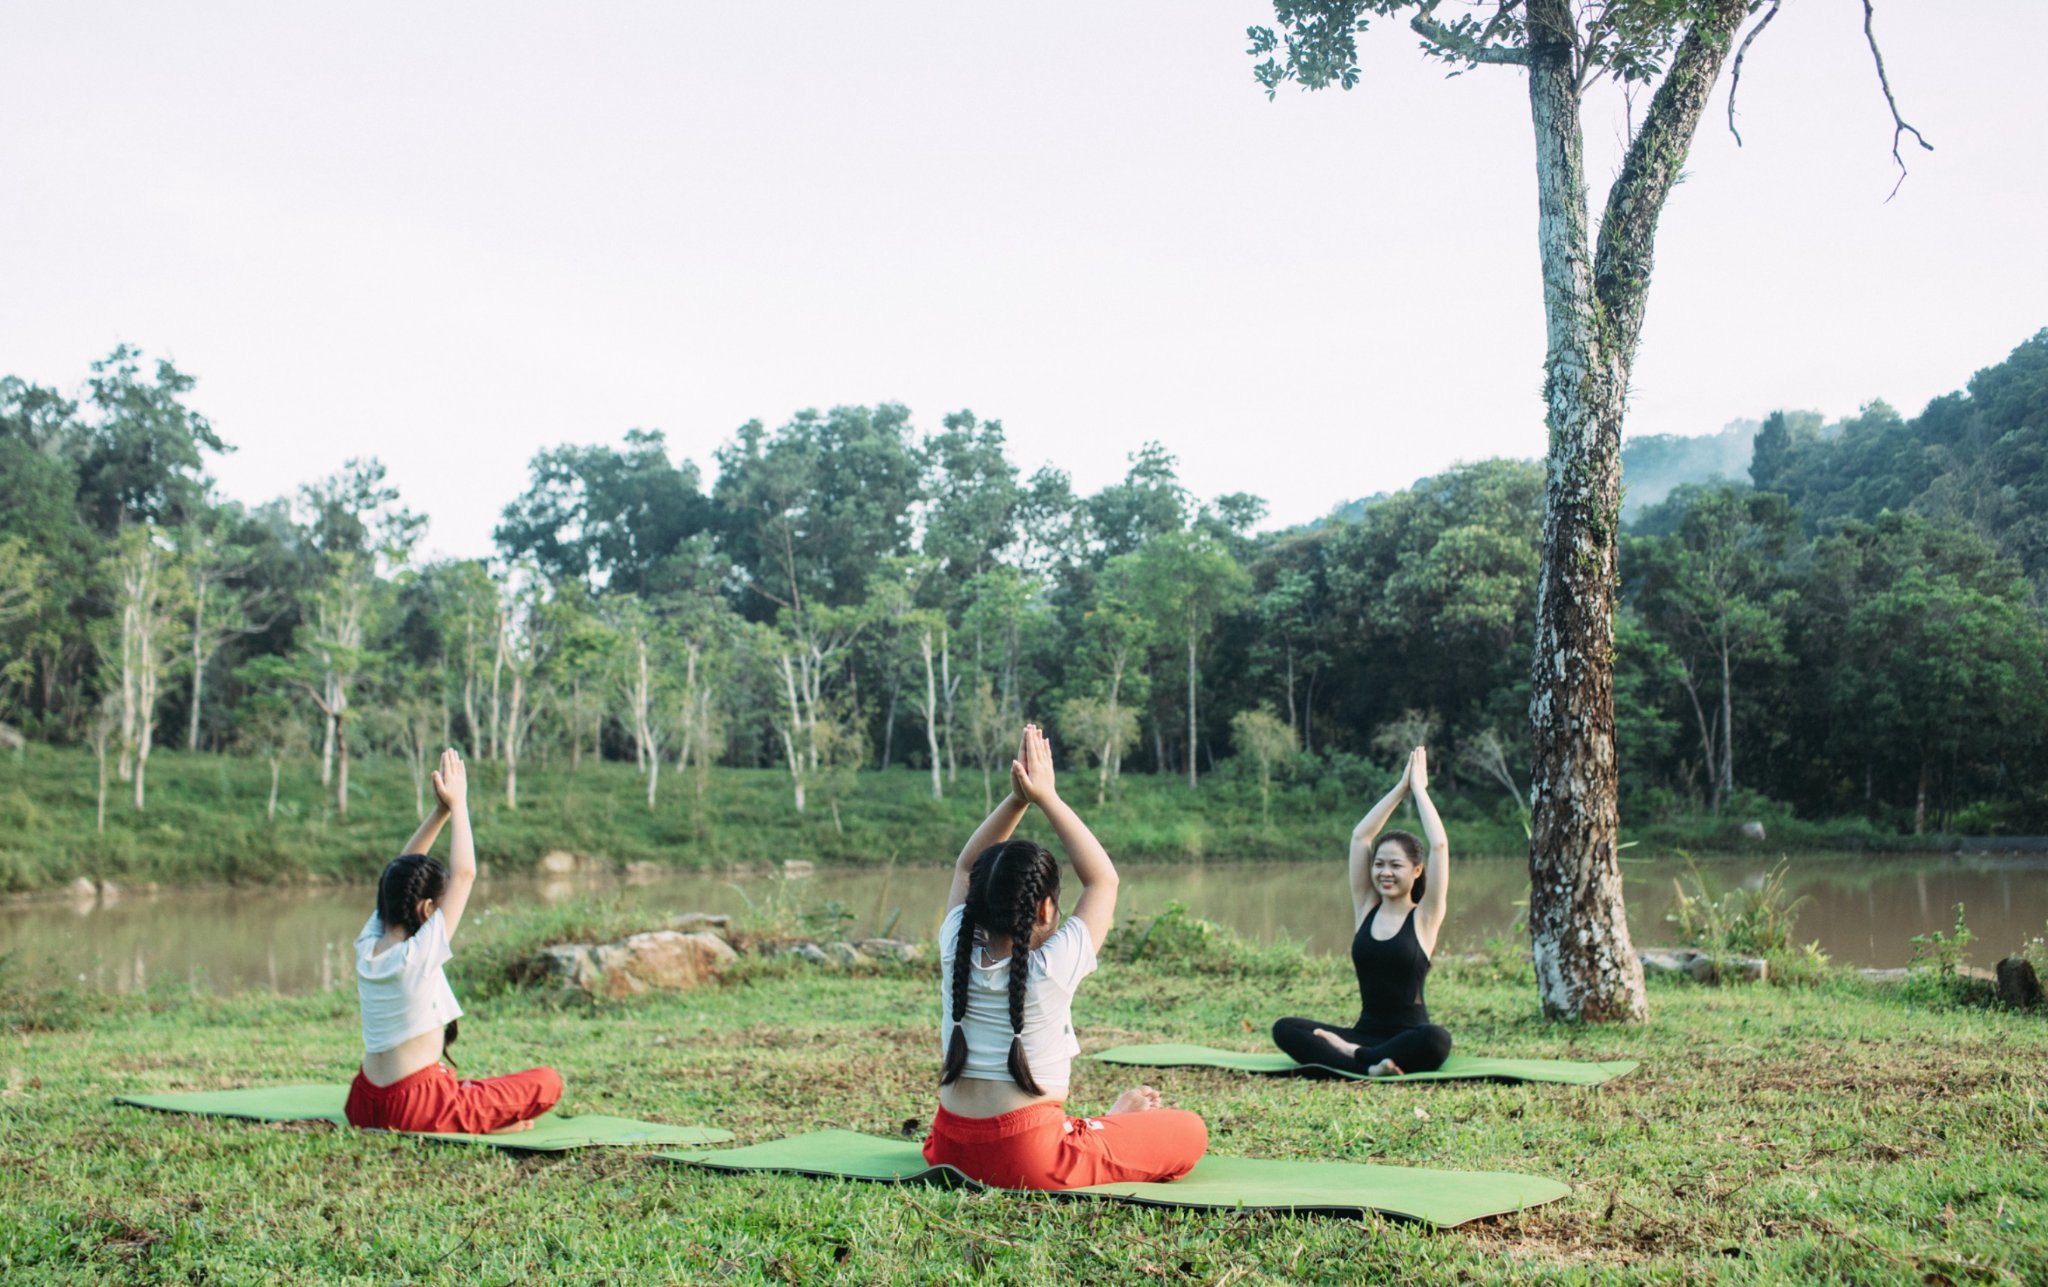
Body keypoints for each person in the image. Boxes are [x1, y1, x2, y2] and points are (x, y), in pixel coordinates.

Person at [921, 724, 1208, 1190]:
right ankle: (1100, 1125)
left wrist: (1017, 800)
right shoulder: (1050, 967)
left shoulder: (955, 941)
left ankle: (1101, 1124)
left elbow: (965, 865)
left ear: (976, 903)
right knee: (1189, 1129)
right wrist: (1047, 797)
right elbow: (1103, 880)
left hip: (948, 1148)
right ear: (1046, 908)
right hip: (1029, 1158)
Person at [344, 747, 563, 1134]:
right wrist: (459, 805)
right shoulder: (418, 954)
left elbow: (397, 874)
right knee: (548, 1080)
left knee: (464, 1085)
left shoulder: (369, 948)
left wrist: (439, 812)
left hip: (363, 1104)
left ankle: (468, 1110)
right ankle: (478, 1121)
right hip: (416, 1106)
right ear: (428, 909)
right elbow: (464, 874)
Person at [1272, 746, 1452, 1077]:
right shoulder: (1366, 907)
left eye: (1395, 865)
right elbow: (1360, 837)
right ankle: (1368, 1063)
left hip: (1407, 1037)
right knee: (1285, 1028)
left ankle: (1356, 1058)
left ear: (1416, 871)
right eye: (1379, 864)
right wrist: (1400, 788)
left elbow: (1439, 845)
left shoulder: (1425, 917)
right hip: (1362, 1033)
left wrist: (1420, 791)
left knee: (1438, 1039)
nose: (1384, 872)